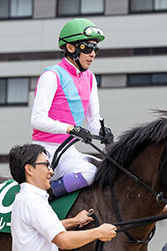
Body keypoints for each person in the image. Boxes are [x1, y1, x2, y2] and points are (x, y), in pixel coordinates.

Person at [31, 18, 114, 199]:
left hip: (68, 149)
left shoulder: (90, 78)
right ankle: (47, 195)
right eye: (87, 48)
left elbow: (93, 119)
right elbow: (37, 119)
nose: (92, 54)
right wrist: (70, 128)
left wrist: (102, 132)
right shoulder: (51, 76)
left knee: (107, 171)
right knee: (91, 174)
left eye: (95, 49)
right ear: (70, 48)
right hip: (46, 150)